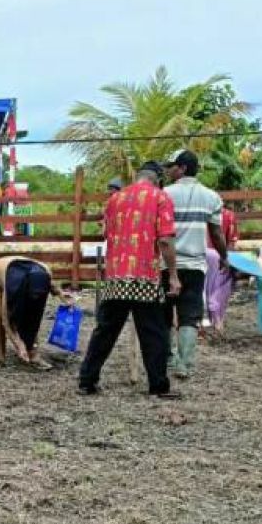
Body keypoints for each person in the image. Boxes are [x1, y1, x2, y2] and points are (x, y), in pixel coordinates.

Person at [78, 161, 181, 398]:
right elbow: (165, 240)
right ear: (158, 179)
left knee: (105, 330)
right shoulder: (160, 197)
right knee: (153, 332)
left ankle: (87, 380)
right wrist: (173, 274)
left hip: (115, 276)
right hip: (144, 277)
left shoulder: (114, 199)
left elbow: (107, 233)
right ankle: (158, 385)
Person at [162, 150, 228, 379]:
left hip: (166, 265)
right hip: (195, 266)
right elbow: (217, 233)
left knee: (165, 313)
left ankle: (168, 359)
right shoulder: (211, 197)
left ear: (182, 168)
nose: (168, 170)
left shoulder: (164, 194)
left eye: (171, 166)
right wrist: (224, 257)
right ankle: (185, 364)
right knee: (189, 316)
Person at [0, 255, 71, 369]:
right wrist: (18, 345)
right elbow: (7, 319)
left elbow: (50, 284)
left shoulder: (45, 271)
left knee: (32, 315)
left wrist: (62, 295)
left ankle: (33, 354)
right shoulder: (13, 284)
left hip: (24, 277)